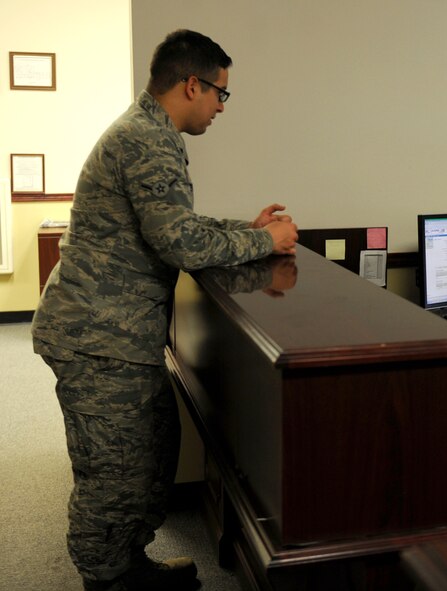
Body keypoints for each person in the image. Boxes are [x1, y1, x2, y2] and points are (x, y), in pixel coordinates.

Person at [31, 30, 298, 591]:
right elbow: (181, 245)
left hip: (116, 332)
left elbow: (176, 225)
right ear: (192, 84)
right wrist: (265, 242)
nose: (222, 107)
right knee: (114, 473)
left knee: (150, 451)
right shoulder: (145, 140)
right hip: (96, 335)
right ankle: (106, 579)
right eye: (221, 93)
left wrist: (246, 229)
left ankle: (129, 565)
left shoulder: (151, 133)